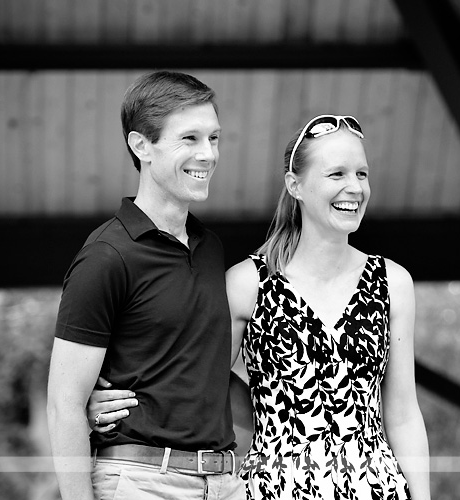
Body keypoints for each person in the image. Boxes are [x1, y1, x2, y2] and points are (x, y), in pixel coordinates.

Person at [91, 114, 432, 499]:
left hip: (378, 489)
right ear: (295, 186)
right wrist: (103, 405)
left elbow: (403, 414)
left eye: (362, 174)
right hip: (273, 489)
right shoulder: (248, 283)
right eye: (337, 175)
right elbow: (195, 385)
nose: (354, 187)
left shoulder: (393, 282)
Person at [47, 70, 245, 500]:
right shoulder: (106, 256)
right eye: (189, 139)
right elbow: (64, 403)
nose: (208, 154)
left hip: (224, 483)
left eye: (214, 138)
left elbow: (201, 375)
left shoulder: (210, 248)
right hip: (142, 483)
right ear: (142, 146)